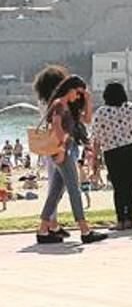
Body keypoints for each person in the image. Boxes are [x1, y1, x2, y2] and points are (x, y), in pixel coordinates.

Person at [35, 75, 107, 244]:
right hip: (62, 152)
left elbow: (88, 120)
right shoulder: (60, 104)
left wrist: (88, 100)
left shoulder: (68, 106)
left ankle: (43, 231)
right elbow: (56, 127)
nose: (79, 96)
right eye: (78, 92)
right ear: (70, 89)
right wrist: (61, 148)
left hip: (62, 151)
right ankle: (85, 230)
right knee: (74, 190)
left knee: (55, 192)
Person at [91, 82, 132, 230]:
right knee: (130, 186)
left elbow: (95, 137)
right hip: (131, 149)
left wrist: (95, 159)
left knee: (119, 187)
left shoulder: (101, 112)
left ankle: (120, 221)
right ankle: (130, 219)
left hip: (112, 151)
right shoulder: (130, 107)